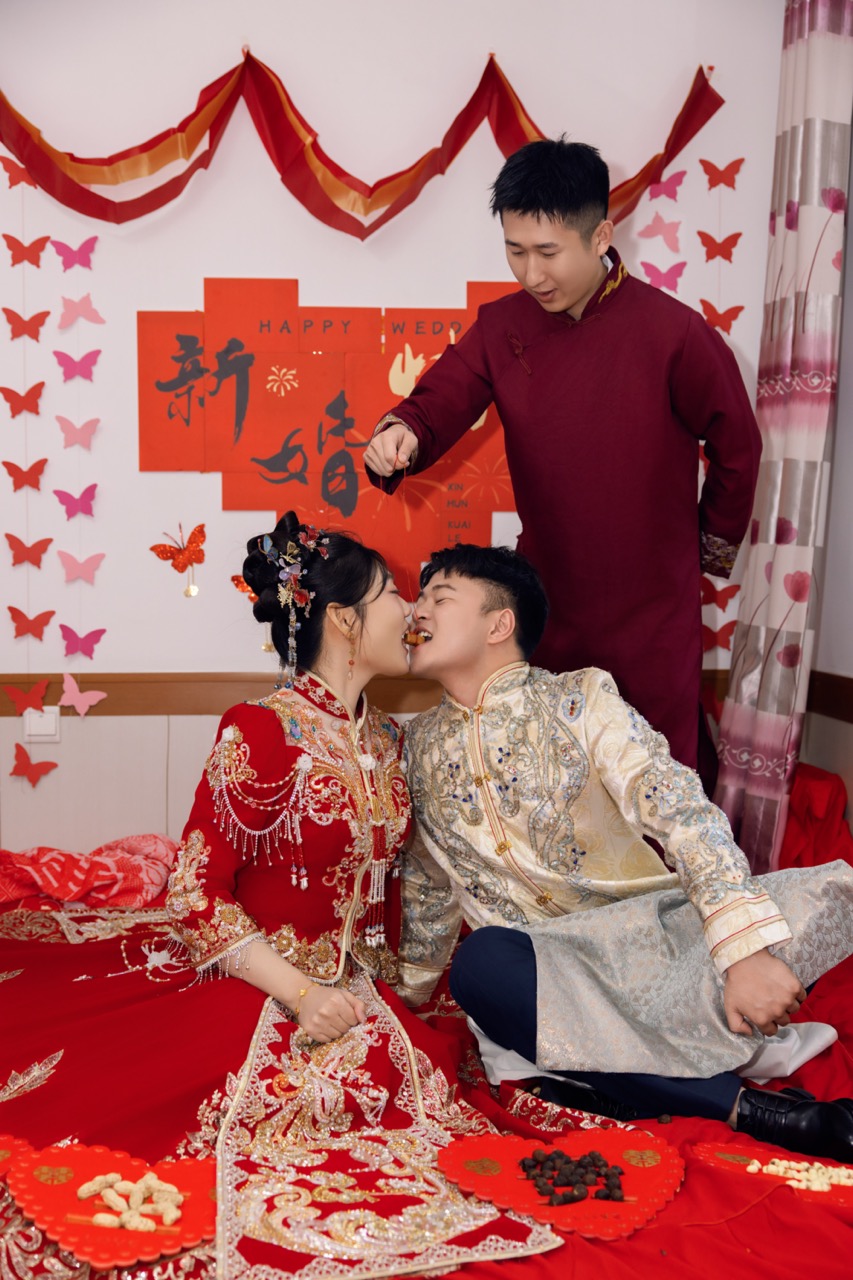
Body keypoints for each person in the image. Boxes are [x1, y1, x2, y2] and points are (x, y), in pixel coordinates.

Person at [0, 515, 561, 1279]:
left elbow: (403, 888)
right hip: (257, 979)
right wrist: (299, 991)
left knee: (421, 1099)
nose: (410, 610)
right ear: (345, 619)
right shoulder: (264, 730)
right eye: (392, 593)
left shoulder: (387, 740)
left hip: (359, 990)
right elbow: (193, 892)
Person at [398, 543, 853, 1160]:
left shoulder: (580, 700)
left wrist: (742, 953)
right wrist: (403, 1003)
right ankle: (757, 1111)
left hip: (651, 951)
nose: (416, 611)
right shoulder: (415, 747)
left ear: (499, 624)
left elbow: (683, 812)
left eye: (439, 597)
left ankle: (605, 1077)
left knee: (822, 893)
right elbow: (428, 888)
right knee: (479, 966)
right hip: (540, 974)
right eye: (417, 598)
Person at [364, 139, 762, 795]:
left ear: (600, 235)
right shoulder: (502, 327)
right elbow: (441, 397)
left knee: (654, 791)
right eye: (514, 251)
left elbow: (737, 447)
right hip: (545, 606)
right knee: (546, 790)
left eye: (547, 252)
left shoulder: (674, 333)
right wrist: (402, 431)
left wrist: (704, 547)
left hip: (652, 612)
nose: (530, 273)